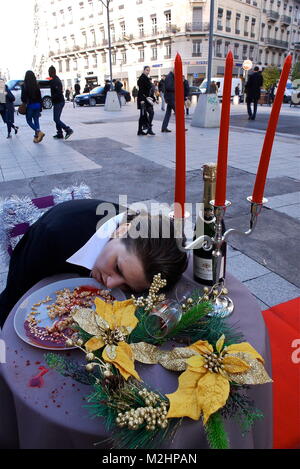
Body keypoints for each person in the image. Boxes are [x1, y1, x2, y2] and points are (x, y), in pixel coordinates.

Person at [0, 199, 188, 327]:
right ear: (121, 231)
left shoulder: (141, 231)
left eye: (129, 287)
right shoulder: (55, 236)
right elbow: (18, 299)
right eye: (117, 268)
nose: (111, 284)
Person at [48, 65, 73, 139]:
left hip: (59, 102)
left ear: (53, 72)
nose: (48, 74)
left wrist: (52, 98)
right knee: (57, 118)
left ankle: (68, 129)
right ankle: (59, 133)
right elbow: (47, 80)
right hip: (57, 102)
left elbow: (58, 92)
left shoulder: (56, 80)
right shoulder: (53, 79)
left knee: (56, 119)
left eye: (49, 72)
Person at [21, 70, 45, 143]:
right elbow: (40, 97)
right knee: (36, 120)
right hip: (37, 105)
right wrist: (41, 107)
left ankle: (38, 132)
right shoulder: (36, 85)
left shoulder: (24, 85)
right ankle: (36, 138)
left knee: (29, 120)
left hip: (30, 105)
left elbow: (23, 98)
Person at [137, 66, 155, 136]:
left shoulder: (146, 78)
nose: (148, 71)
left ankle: (142, 130)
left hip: (147, 99)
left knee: (143, 115)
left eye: (149, 70)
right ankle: (147, 128)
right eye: (147, 70)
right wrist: (141, 100)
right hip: (143, 99)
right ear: (143, 70)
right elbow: (141, 90)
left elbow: (149, 90)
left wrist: (153, 98)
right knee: (149, 113)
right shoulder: (142, 78)